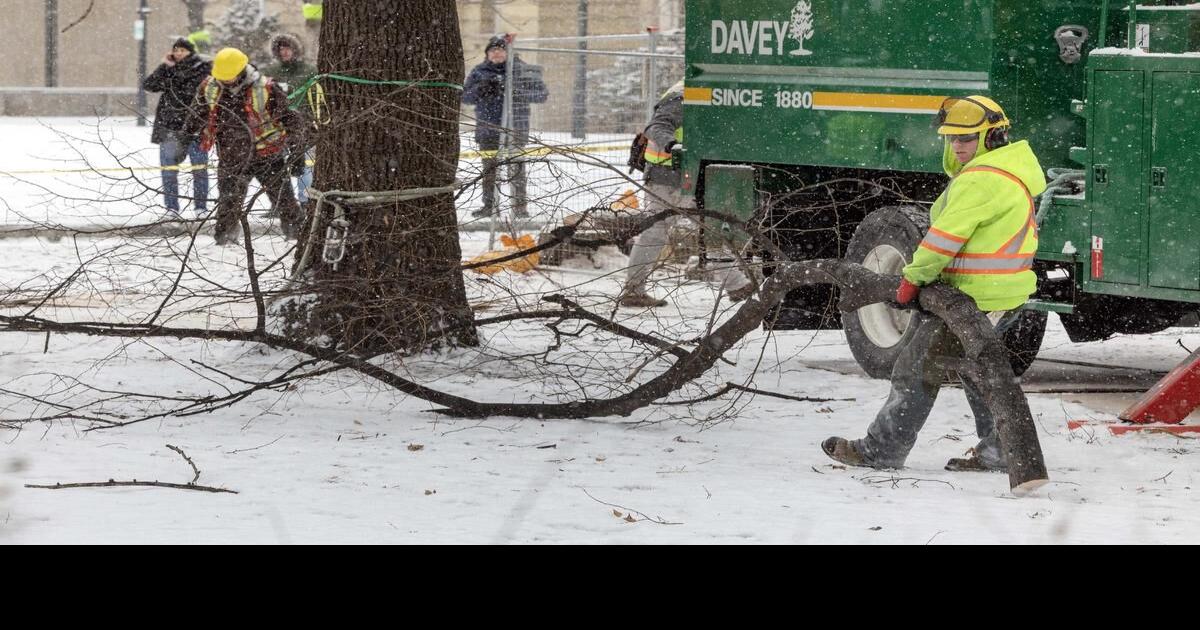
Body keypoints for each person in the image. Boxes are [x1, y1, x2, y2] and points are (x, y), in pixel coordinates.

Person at [822, 95, 1046, 472]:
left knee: (914, 370)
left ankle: (881, 450)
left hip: (972, 296)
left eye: (967, 138)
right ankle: (1000, 451)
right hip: (1002, 293)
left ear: (992, 137)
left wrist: (912, 279)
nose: (957, 146)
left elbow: (942, 239)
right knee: (979, 370)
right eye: (952, 138)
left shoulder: (981, 181)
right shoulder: (1011, 172)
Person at [618, 81, 753, 308]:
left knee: (710, 227)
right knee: (661, 232)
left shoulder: (701, 89)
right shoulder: (684, 93)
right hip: (669, 174)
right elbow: (657, 126)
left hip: (691, 173)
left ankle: (737, 285)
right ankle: (736, 285)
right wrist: (674, 147)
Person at [183, 48, 306, 245]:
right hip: (231, 154)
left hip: (268, 154)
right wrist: (185, 138)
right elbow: (197, 115)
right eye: (222, 78)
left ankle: (297, 236)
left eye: (229, 78)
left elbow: (292, 120)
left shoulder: (266, 88)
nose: (225, 81)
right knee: (228, 201)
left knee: (284, 199)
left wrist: (297, 153)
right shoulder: (209, 87)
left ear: (241, 71)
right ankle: (225, 238)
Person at [462, 34, 548, 219]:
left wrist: (516, 92)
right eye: (493, 50)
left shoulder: (522, 70)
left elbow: (541, 95)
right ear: (487, 54)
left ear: (508, 52)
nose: (497, 53)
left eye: (501, 50)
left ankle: (519, 207)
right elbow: (465, 97)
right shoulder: (479, 72)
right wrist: (483, 88)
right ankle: (490, 206)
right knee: (489, 170)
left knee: (516, 169)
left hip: (515, 127)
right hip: (488, 128)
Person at [143, 37, 212, 217]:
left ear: (191, 52)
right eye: (176, 50)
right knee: (169, 171)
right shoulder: (169, 69)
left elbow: (190, 88)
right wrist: (164, 66)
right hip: (170, 128)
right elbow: (149, 85)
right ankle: (171, 208)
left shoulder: (202, 68)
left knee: (199, 169)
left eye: (183, 50)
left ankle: (201, 207)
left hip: (195, 128)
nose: (179, 53)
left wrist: (172, 72)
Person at [262, 33, 318, 206]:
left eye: (288, 48)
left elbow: (315, 98)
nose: (284, 52)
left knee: (305, 166)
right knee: (277, 168)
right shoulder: (270, 72)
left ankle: (305, 200)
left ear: (295, 50)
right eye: (281, 49)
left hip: (304, 126)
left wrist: (315, 119)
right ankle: (281, 204)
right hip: (277, 128)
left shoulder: (309, 71)